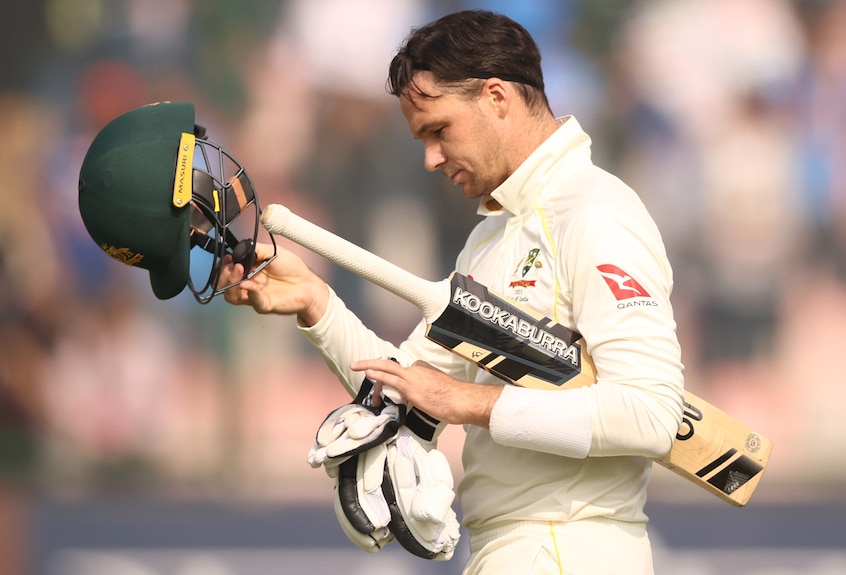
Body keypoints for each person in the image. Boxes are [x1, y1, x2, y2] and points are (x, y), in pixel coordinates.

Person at [217, 9, 685, 574]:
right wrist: (316, 304)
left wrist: (469, 403)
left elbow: (651, 414)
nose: (431, 158)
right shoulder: (491, 236)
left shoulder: (595, 211)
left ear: (496, 96)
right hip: (510, 549)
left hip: (571, 549)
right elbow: (405, 390)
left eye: (439, 130)